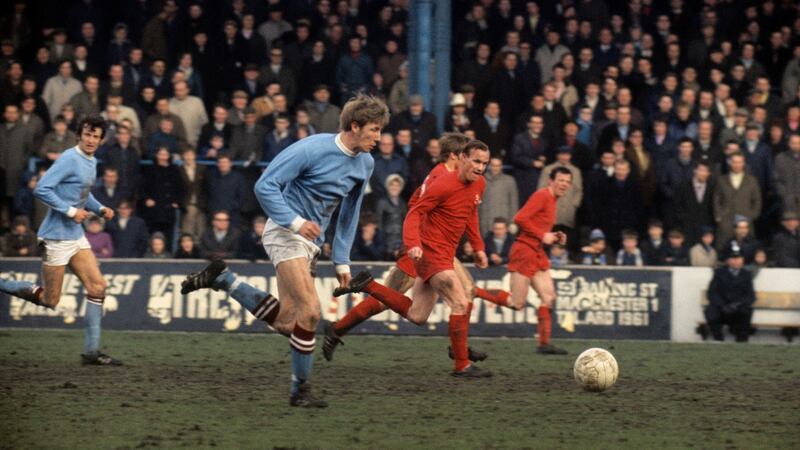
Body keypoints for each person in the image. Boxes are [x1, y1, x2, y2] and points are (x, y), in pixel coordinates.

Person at [180, 95, 390, 407]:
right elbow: (264, 186)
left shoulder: (366, 163)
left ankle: (224, 279)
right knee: (311, 312)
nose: (379, 137)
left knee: (289, 323)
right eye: (374, 129)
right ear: (355, 126)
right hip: (283, 233)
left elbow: (350, 213)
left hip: (310, 244)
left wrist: (342, 261)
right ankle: (299, 392)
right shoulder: (312, 148)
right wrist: (294, 221)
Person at [323, 135, 513, 364]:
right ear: (457, 156)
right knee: (389, 301)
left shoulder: (467, 181)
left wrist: (477, 246)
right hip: (424, 248)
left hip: (440, 248)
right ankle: (338, 327)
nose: (479, 166)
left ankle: (459, 349)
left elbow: (467, 210)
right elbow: (417, 209)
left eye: (483, 162)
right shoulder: (440, 177)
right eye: (473, 159)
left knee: (456, 296)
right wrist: (414, 244)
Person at [0, 115, 121, 365]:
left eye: (96, 136)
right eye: (87, 134)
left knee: (98, 287)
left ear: (100, 140)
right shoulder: (68, 158)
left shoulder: (91, 161)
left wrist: (99, 209)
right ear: (79, 134)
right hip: (55, 237)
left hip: (75, 236)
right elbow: (42, 189)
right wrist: (70, 212)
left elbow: (81, 194)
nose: (91, 140)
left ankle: (91, 352)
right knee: (49, 300)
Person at [505, 167, 572, 355]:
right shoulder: (542, 195)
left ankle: (544, 344)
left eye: (567, 182)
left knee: (549, 297)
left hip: (536, 251)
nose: (564, 184)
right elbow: (519, 218)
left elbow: (537, 224)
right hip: (524, 251)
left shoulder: (552, 200)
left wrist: (555, 236)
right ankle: (476, 292)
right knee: (516, 303)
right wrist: (543, 235)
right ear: (550, 181)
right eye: (560, 180)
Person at [704, 242, 756, 342]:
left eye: (738, 258)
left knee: (746, 311)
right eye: (733, 258)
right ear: (727, 260)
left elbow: (750, 296)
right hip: (722, 310)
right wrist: (722, 305)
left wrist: (737, 305)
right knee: (710, 311)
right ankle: (718, 340)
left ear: (742, 260)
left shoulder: (746, 275)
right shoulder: (719, 273)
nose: (736, 261)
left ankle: (741, 343)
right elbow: (712, 293)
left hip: (738, 310)